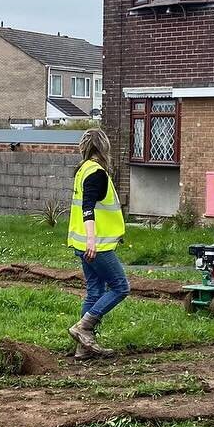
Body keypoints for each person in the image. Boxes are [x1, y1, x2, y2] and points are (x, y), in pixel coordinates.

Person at [66, 128, 128, 359]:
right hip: (96, 245)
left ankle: (83, 347)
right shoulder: (96, 173)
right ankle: (83, 327)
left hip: (82, 243)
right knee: (121, 287)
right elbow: (88, 208)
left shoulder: (83, 170)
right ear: (104, 148)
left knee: (95, 291)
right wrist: (92, 240)